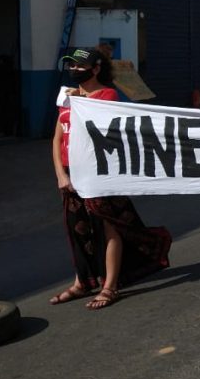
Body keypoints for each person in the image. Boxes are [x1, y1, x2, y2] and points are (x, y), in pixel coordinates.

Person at [50, 47, 172, 310]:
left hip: (99, 173)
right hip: (70, 174)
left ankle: (109, 285)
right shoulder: (68, 100)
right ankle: (82, 281)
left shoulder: (107, 96)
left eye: (79, 66)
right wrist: (61, 174)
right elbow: (58, 138)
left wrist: (79, 100)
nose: (73, 70)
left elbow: (107, 131)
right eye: (70, 66)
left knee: (109, 226)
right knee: (78, 230)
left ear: (95, 69)